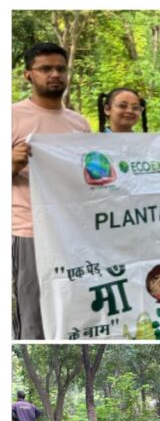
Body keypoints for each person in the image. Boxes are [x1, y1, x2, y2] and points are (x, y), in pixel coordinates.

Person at [13, 42, 91, 340]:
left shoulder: (79, 123)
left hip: (72, 233)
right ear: (28, 75)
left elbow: (87, 177)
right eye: (45, 69)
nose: (54, 74)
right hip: (29, 232)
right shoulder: (13, 117)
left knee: (72, 308)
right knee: (33, 313)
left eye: (60, 68)